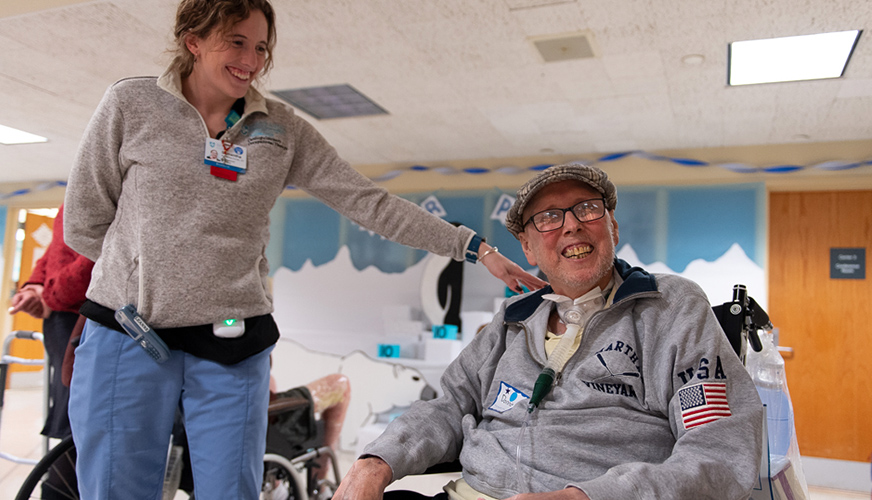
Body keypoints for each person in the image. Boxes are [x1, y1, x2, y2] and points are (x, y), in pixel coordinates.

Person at [61, 0, 545, 498]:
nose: (251, 59)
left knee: (232, 491)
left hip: (232, 339)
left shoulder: (281, 130)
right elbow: (83, 222)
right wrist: (152, 273)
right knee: (114, 489)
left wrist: (475, 247)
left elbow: (368, 202)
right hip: (129, 333)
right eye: (237, 41)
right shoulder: (131, 104)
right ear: (194, 40)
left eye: (261, 47)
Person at [334, 163, 765, 500]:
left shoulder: (670, 307)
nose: (572, 224)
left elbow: (720, 453)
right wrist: (374, 462)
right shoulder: (510, 321)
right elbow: (447, 406)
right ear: (527, 248)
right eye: (549, 218)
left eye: (588, 208)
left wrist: (584, 496)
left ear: (612, 226)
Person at [9, 204, 93, 441]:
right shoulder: (72, 197)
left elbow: (96, 255)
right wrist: (35, 286)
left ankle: (59, 478)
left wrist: (48, 296)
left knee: (79, 412)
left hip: (85, 313)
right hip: (61, 314)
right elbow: (55, 250)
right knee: (66, 404)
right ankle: (58, 477)